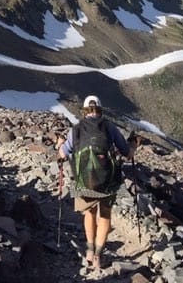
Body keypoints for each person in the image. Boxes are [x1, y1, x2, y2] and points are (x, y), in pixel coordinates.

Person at [57, 94, 135, 270]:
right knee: (105, 216)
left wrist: (59, 144)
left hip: (83, 182)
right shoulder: (110, 127)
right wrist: (134, 145)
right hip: (108, 181)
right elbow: (127, 153)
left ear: (84, 110)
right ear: (100, 110)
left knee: (89, 214)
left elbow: (63, 154)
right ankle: (99, 256)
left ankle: (90, 252)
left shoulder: (75, 129)